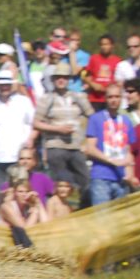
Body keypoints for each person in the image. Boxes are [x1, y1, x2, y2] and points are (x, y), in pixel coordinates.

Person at [34, 63, 93, 197]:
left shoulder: (79, 97)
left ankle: (85, 206)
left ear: (69, 79)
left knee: (85, 180)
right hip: (55, 146)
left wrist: (87, 141)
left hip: (76, 146)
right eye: (58, 77)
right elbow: (36, 123)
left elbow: (92, 117)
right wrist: (57, 129)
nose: (61, 80)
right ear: (53, 79)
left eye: (65, 77)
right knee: (59, 183)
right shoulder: (46, 99)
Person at [81, 84, 138, 206]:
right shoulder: (96, 119)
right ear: (105, 99)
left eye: (117, 97)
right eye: (110, 97)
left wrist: (130, 171)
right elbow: (90, 148)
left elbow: (129, 151)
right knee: (102, 214)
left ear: (121, 98)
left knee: (120, 215)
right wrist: (111, 161)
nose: (114, 100)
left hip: (121, 178)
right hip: (101, 176)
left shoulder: (126, 121)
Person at [0, 73, 36, 192]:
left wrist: (31, 140)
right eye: (2, 85)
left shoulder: (24, 102)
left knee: (22, 189)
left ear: (11, 85)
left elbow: (35, 124)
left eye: (7, 84)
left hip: (20, 156)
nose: (4, 87)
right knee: (3, 192)